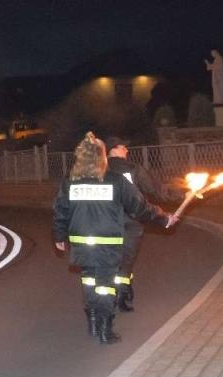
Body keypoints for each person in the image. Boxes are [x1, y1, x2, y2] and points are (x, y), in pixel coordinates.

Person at [52, 133, 173, 344]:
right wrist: (164, 219)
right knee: (106, 285)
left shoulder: (70, 182)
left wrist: (59, 236)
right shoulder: (115, 181)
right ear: (102, 158)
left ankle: (91, 319)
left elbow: (60, 211)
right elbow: (140, 207)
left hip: (81, 243)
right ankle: (105, 329)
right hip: (107, 243)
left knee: (89, 280)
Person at [103, 136, 165, 313]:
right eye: (123, 147)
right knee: (127, 259)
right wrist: (184, 192)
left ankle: (109, 296)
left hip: (107, 222)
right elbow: (155, 190)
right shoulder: (133, 169)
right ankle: (123, 296)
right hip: (131, 221)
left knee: (110, 260)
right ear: (113, 150)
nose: (126, 150)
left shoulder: (99, 170)